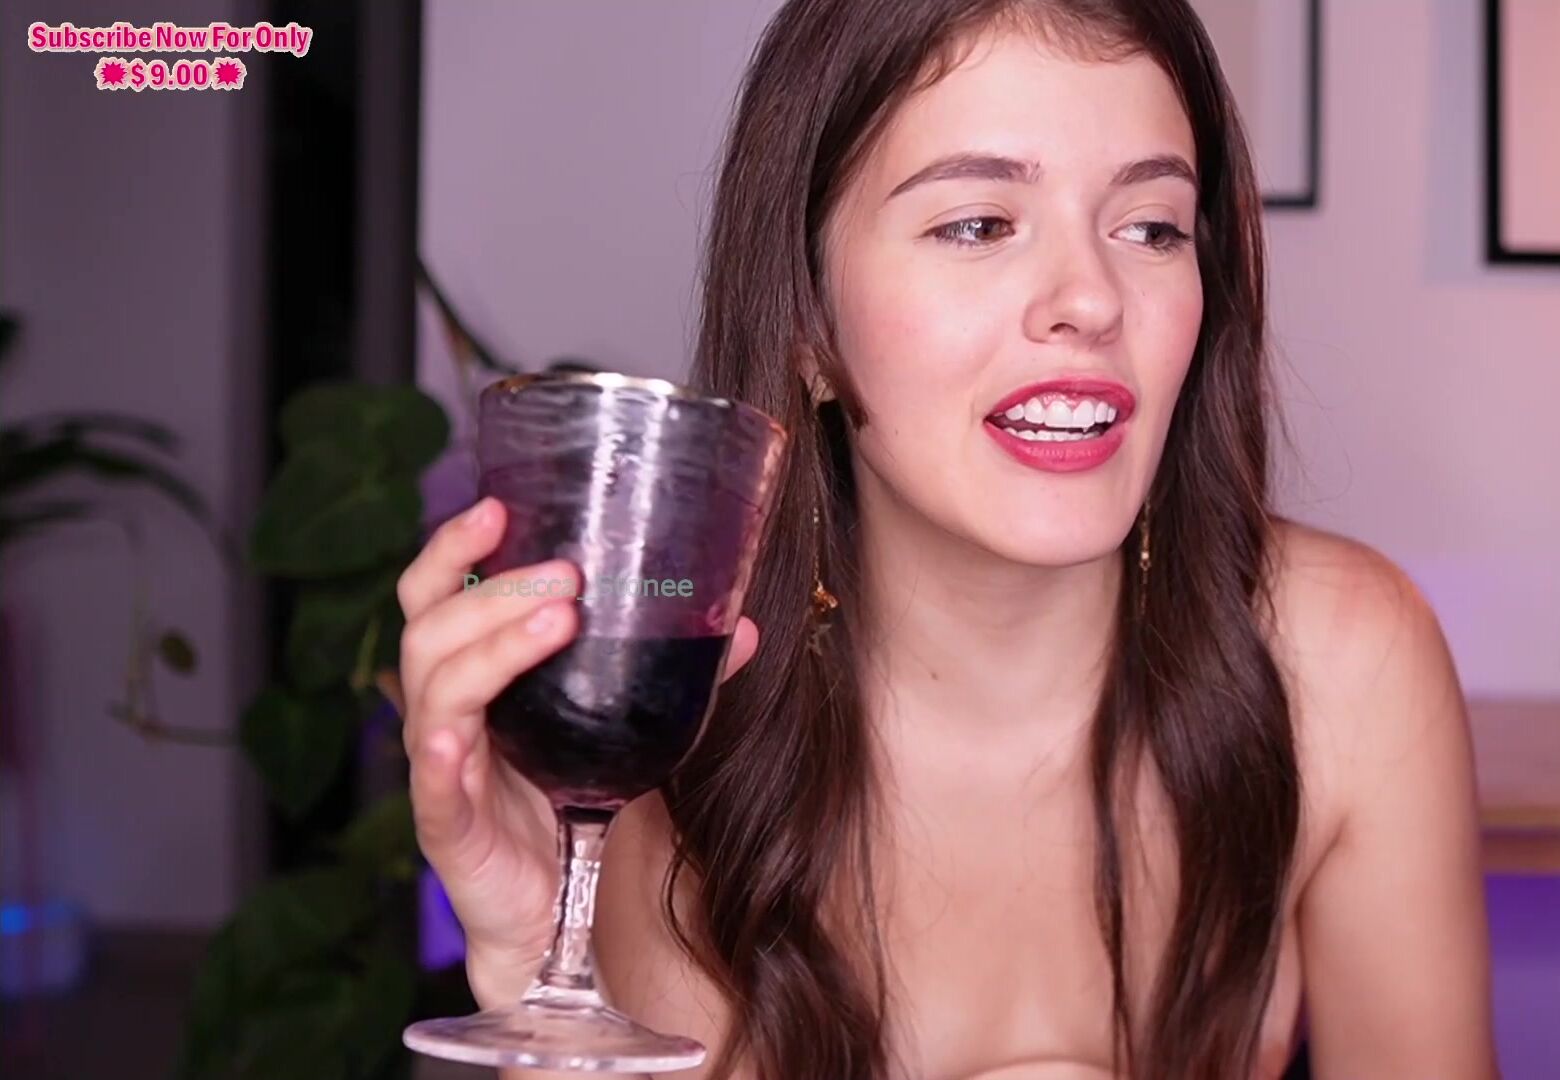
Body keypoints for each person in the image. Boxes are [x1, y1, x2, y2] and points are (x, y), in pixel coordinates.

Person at [393, 0, 1499, 1076]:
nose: (1091, 299)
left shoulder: (1339, 663)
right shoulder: (669, 739)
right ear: (808, 327)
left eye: (1151, 227)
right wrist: (537, 953)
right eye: (978, 224)